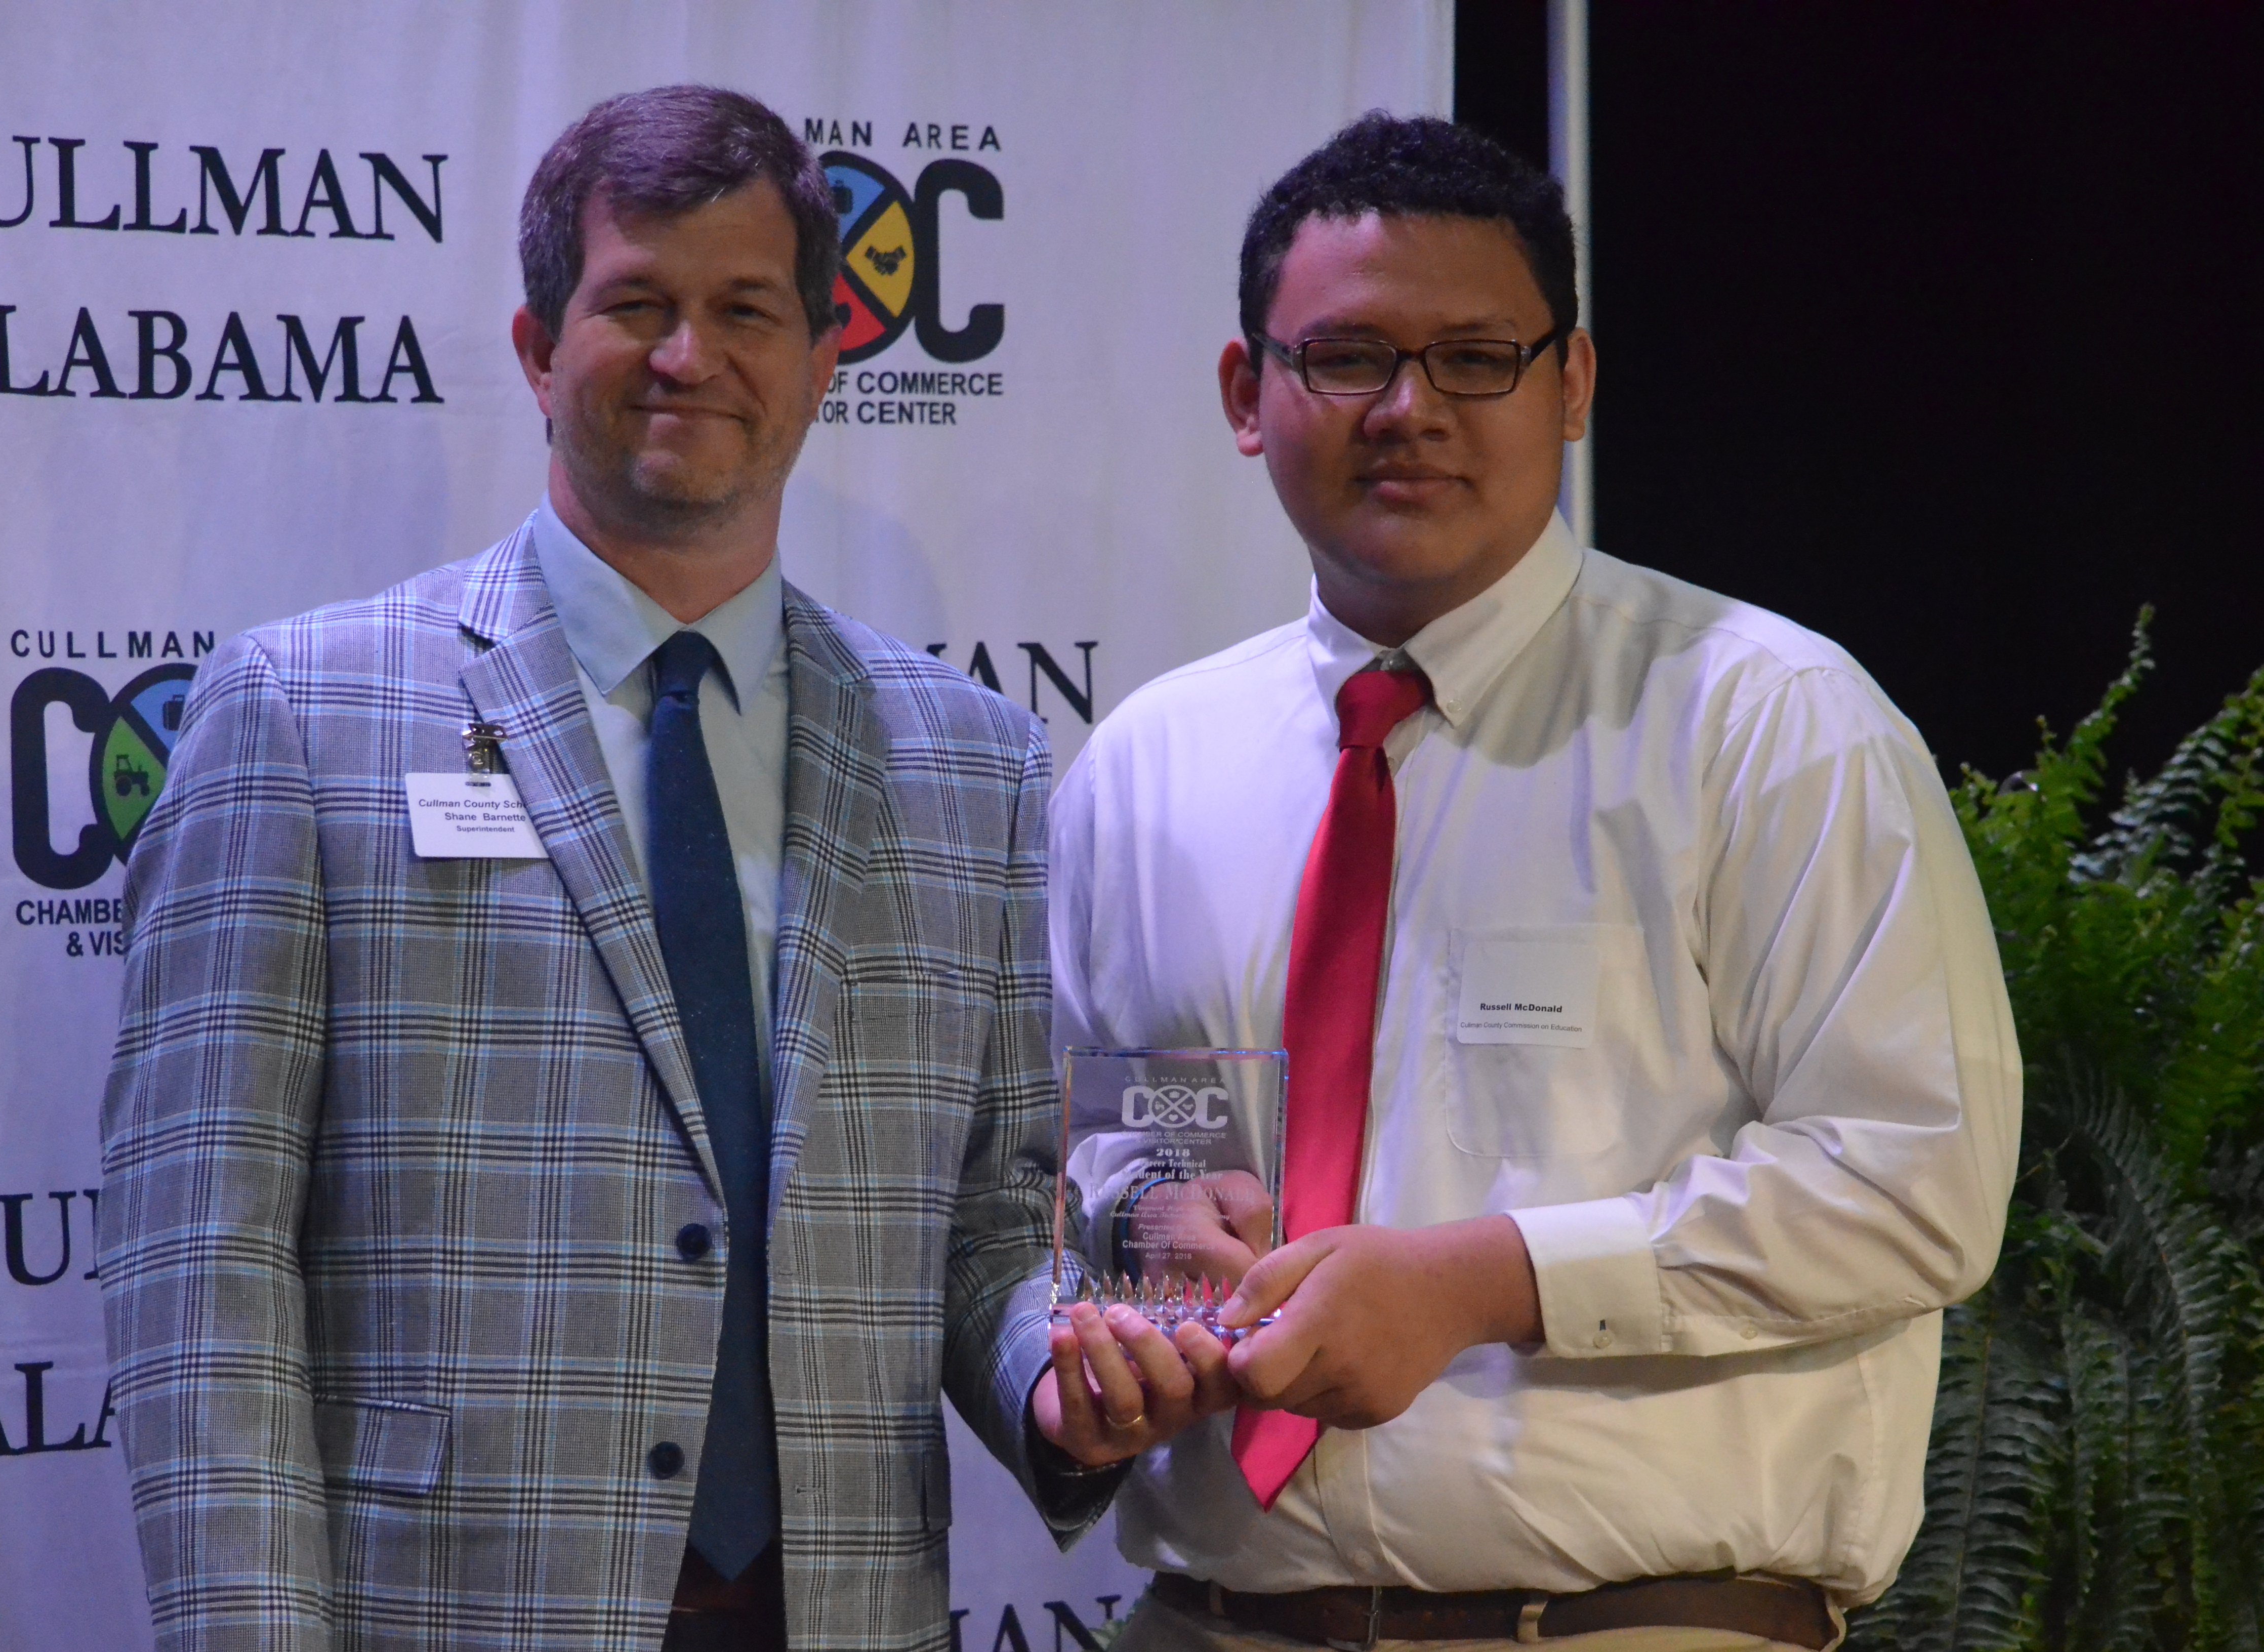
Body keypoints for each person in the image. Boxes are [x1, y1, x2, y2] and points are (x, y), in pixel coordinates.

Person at [97, 85, 1223, 1652]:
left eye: (746, 309)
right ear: (536, 347)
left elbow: (988, 1215)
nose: (690, 356)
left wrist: (1058, 1373)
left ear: (824, 358)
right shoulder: (301, 713)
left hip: (844, 1615)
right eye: (637, 305)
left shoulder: (971, 760)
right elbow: (200, 1265)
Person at [1049, 112, 2022, 1651]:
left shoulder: (1768, 719)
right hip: (1215, 1618)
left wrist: (1485, 1281)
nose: (1410, 410)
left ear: (1571, 386)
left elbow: (1914, 1183)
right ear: (1248, 393)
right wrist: (1151, 1227)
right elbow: (1094, 1150)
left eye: (1476, 359)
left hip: (1626, 1622)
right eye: (1347, 358)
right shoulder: (1145, 766)